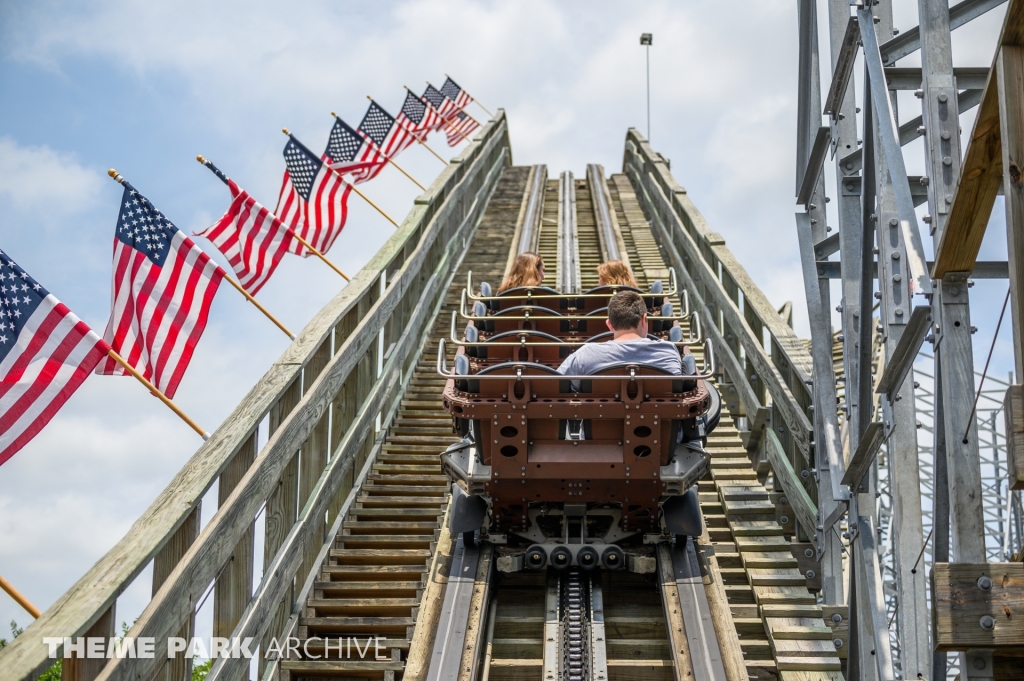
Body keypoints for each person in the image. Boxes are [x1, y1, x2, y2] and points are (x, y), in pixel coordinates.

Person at [557, 290, 683, 376]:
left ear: (609, 325)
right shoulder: (668, 351)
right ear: (644, 319)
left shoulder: (585, 355)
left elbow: (555, 385)